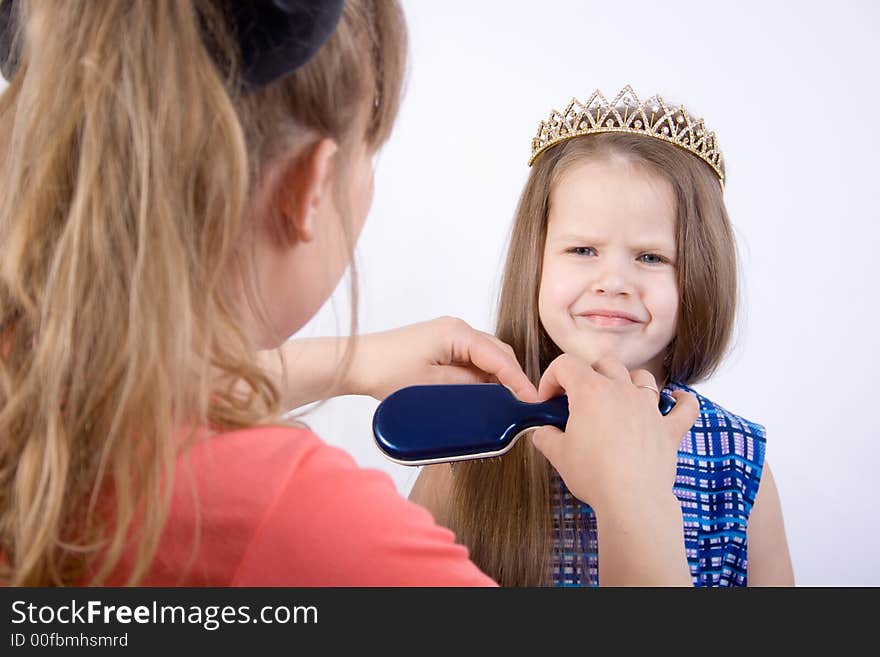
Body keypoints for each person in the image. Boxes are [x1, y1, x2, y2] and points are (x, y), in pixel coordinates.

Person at [0, 2, 696, 587]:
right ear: (310, 186)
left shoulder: (29, 390)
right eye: (374, 151)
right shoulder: (317, 530)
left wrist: (343, 362)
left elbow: (121, 405)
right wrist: (641, 508)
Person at [411, 86, 795, 587]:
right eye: (583, 249)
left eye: (651, 257)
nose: (613, 282)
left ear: (700, 275)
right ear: (537, 260)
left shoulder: (738, 463)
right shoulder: (473, 447)